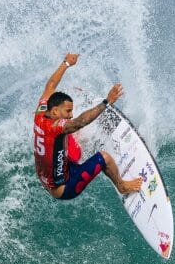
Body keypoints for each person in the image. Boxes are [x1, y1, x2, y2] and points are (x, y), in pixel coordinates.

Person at [33, 53, 143, 200]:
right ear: (54, 111)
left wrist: (66, 63)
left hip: (48, 176)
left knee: (73, 140)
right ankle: (122, 186)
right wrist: (107, 102)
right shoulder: (56, 127)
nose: (71, 114)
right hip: (64, 187)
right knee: (104, 157)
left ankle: (85, 150)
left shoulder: (41, 112)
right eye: (68, 111)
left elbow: (50, 86)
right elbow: (79, 122)